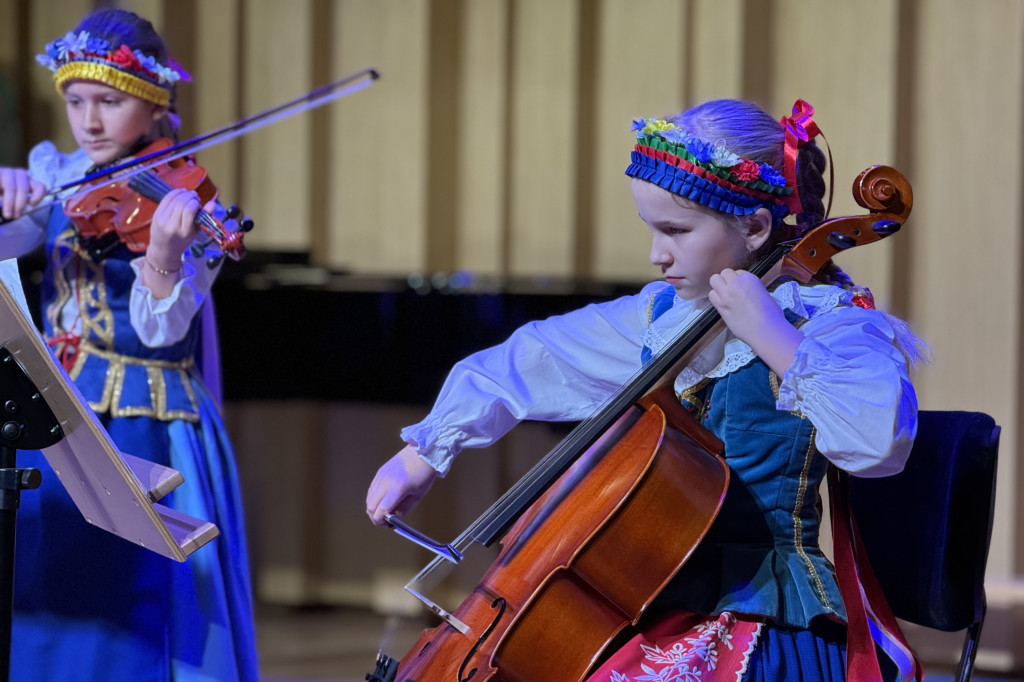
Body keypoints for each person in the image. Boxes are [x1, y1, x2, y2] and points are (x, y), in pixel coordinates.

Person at [366, 98, 927, 680]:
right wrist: (425, 451)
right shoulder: (663, 314)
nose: (657, 255)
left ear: (756, 227)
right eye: (652, 229)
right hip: (642, 602)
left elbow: (878, 442)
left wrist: (770, 333)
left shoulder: (828, 324)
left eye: (676, 231)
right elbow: (533, 354)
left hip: (763, 610)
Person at [0, 9, 257, 681]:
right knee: (48, 593)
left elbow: (161, 330)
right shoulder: (59, 176)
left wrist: (167, 259)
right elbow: (11, 245)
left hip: (147, 422)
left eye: (110, 103)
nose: (89, 120)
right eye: (77, 101)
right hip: (56, 414)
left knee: (134, 609)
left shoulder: (186, 204)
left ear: (152, 103)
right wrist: (4, 200)